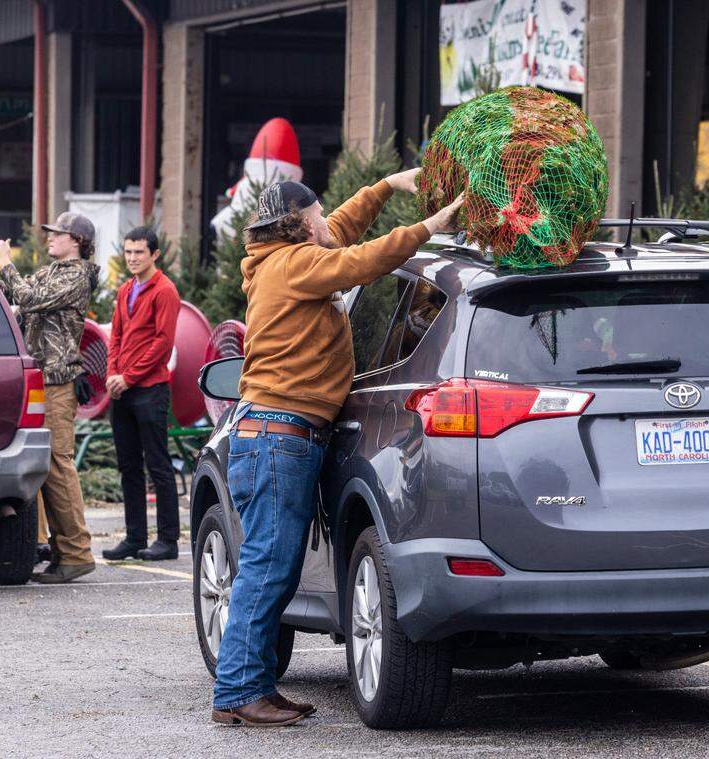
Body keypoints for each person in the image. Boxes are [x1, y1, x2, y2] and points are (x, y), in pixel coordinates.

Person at [210, 172, 464, 727]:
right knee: (266, 569)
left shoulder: (287, 258)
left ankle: (255, 685)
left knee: (270, 567)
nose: (328, 219)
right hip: (279, 438)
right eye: (318, 213)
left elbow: (342, 230)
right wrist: (429, 225)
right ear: (301, 225)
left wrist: (387, 186)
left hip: (274, 436)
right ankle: (235, 693)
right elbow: (360, 261)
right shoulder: (293, 267)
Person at [0, 212, 101, 584]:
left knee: (58, 466)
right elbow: (20, 293)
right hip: (41, 379)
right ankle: (58, 550)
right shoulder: (54, 271)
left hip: (58, 383)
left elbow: (29, 297)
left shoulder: (76, 274)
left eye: (57, 234)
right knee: (44, 466)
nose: (49, 238)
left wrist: (5, 262)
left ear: (76, 241)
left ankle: (77, 552)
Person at [100, 227, 183, 562]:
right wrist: (111, 375)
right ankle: (134, 537)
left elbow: (162, 344)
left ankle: (168, 540)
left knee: (158, 465)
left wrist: (128, 377)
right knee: (128, 466)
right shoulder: (124, 290)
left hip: (150, 390)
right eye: (128, 252)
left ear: (154, 255)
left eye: (139, 253)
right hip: (122, 390)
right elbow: (116, 337)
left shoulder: (165, 290)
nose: (132, 258)